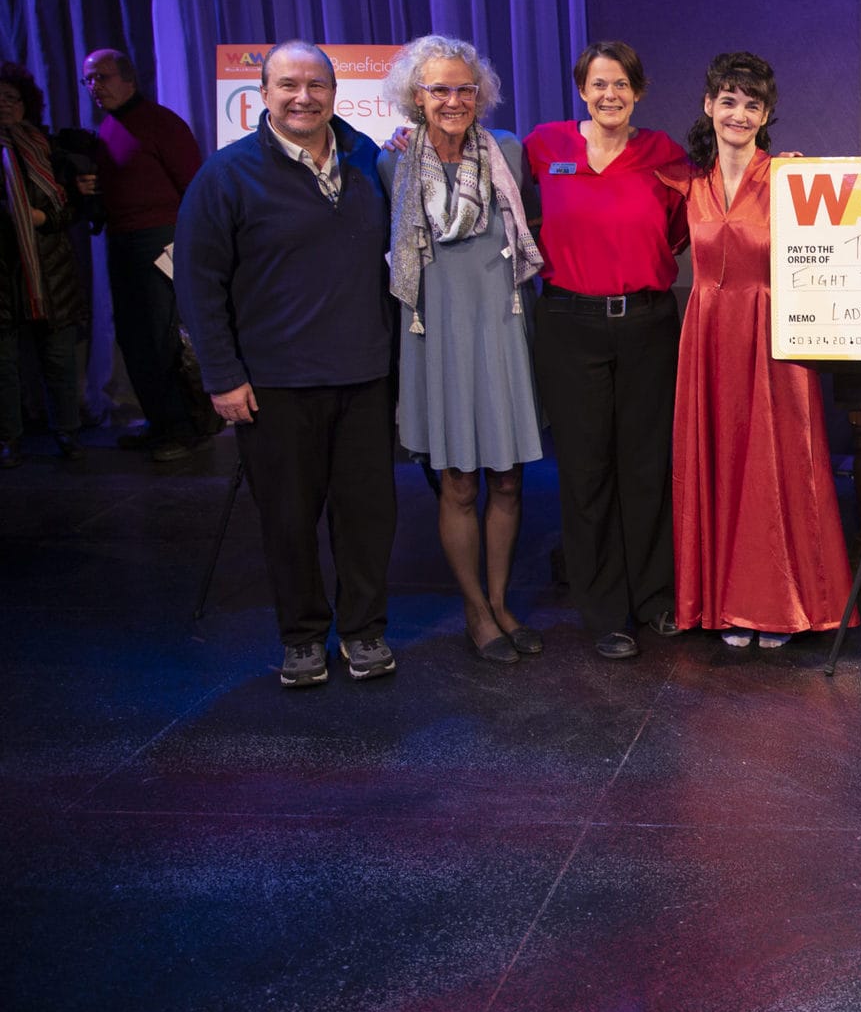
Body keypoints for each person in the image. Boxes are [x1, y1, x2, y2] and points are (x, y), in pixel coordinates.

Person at [176, 41, 398, 688]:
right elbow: (198, 285)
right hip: (274, 383)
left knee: (367, 517)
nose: (303, 97)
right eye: (288, 85)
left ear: (333, 92)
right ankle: (302, 637)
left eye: (316, 85)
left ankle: (364, 630)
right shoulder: (226, 175)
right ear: (264, 94)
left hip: (364, 375)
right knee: (289, 519)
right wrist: (222, 376)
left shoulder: (369, 159)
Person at [655, 53, 855, 648]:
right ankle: (723, 603)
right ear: (708, 105)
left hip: (773, 338)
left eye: (752, 104)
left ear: (766, 115)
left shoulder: (790, 177)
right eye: (729, 101)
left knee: (773, 466)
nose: (738, 114)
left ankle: (776, 604)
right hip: (708, 337)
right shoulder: (687, 183)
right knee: (719, 461)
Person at [379, 35, 545, 665]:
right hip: (438, 338)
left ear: (481, 94)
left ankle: (501, 602)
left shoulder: (507, 151)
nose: (453, 100)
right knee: (457, 484)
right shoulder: (393, 162)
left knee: (508, 479)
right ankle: (475, 610)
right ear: (415, 96)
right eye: (439, 89)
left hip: (502, 332)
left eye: (464, 88)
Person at [525, 41, 689, 661]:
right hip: (570, 325)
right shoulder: (544, 146)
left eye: (621, 84)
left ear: (638, 92)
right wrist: (408, 141)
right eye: (598, 83)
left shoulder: (664, 155)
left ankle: (654, 597)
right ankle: (603, 610)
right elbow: (482, 170)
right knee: (586, 470)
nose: (609, 94)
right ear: (581, 90)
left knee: (646, 465)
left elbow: (686, 226)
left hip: (647, 321)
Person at [80, 49, 205, 461]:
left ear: (128, 78)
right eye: (88, 80)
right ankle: (159, 421)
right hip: (122, 240)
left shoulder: (161, 123)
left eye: (102, 77)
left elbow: (194, 185)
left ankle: (182, 428)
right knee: (133, 337)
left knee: (160, 336)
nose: (95, 87)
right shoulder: (109, 127)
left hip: (159, 241)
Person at [0, 64, 88, 466]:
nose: (4, 105)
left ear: (26, 104)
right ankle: (9, 439)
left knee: (58, 358)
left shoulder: (46, 148)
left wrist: (42, 218)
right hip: (4, 270)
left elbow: (71, 205)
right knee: (4, 362)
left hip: (50, 269)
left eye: (11, 98)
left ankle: (68, 432)